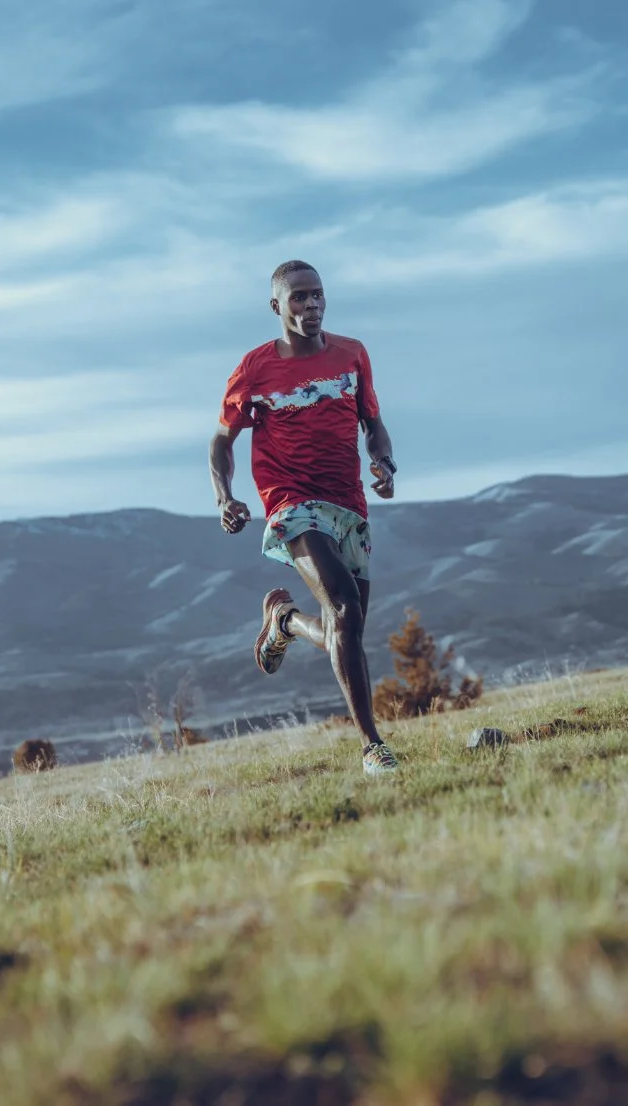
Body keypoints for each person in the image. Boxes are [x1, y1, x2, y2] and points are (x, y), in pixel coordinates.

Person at [209, 260, 401, 774]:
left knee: (351, 625)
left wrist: (382, 461)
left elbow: (373, 423)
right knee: (341, 604)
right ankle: (372, 746)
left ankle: (285, 622)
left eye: (317, 295)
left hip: (347, 500)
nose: (311, 305)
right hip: (290, 498)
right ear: (278, 306)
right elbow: (222, 440)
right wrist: (225, 497)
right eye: (299, 298)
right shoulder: (254, 369)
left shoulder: (352, 354)